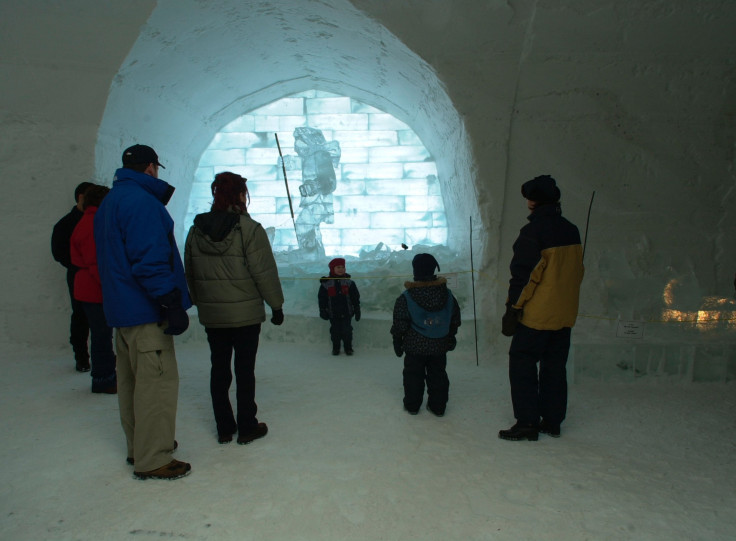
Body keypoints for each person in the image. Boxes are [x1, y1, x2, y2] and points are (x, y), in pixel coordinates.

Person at [94, 144, 192, 480]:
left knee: (133, 383)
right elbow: (149, 260)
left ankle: (140, 446)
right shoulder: (141, 202)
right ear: (151, 168)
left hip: (122, 311)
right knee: (157, 385)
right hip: (145, 310)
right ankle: (153, 458)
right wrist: (170, 301)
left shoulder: (111, 202)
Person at [184, 171, 284, 445]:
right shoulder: (248, 229)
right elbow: (263, 271)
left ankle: (224, 427)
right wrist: (276, 305)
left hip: (213, 316)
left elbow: (190, 272)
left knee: (219, 369)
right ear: (240, 195)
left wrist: (199, 301)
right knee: (244, 370)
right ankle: (247, 425)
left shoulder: (196, 230)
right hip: (245, 315)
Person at [499, 175, 584, 441]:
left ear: (533, 201)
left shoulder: (534, 232)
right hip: (564, 314)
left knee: (522, 362)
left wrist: (513, 308)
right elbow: (577, 272)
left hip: (537, 316)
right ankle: (552, 420)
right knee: (555, 367)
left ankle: (527, 422)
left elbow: (525, 276)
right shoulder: (571, 230)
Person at [390, 253, 461, 416]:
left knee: (413, 376)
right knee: (438, 376)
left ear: (415, 271)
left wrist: (397, 339)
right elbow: (454, 318)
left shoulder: (407, 297)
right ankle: (438, 407)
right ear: (434, 269)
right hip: (439, 344)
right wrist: (451, 336)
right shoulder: (447, 294)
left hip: (415, 346)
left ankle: (412, 406)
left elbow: (400, 321)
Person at [70, 185, 117, 394]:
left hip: (87, 286)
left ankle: (104, 375)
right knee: (101, 335)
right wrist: (109, 286)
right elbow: (94, 262)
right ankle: (103, 379)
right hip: (93, 288)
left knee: (101, 334)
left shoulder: (88, 220)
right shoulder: (93, 223)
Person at [51, 181, 93, 371]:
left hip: (94, 273)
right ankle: (82, 357)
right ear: (81, 198)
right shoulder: (66, 224)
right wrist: (79, 265)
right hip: (78, 274)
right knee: (80, 316)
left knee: (100, 316)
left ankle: (102, 354)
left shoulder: (97, 220)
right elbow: (59, 252)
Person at [318, 258, 360, 355]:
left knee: (347, 331)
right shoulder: (326, 284)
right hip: (333, 314)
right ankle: (336, 348)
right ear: (333, 269)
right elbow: (322, 299)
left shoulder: (349, 283)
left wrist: (357, 309)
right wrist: (322, 310)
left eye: (342, 267)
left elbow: (355, 297)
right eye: (338, 267)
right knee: (335, 332)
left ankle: (348, 348)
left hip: (347, 313)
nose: (341, 269)